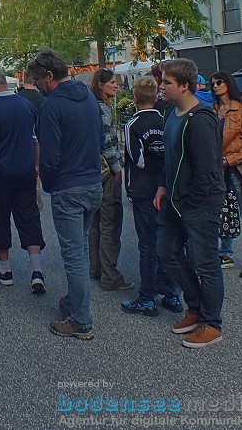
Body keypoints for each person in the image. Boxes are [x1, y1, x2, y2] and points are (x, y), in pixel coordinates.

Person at [26, 49, 102, 340]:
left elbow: (50, 154)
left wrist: (47, 181)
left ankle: (81, 320)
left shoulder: (52, 106)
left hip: (68, 186)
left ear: (48, 76)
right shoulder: (89, 99)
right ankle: (74, 302)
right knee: (80, 248)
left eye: (37, 80)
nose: (36, 86)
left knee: (74, 254)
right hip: (93, 181)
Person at [153, 59, 226, 349]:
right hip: (173, 199)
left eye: (167, 82)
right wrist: (162, 185)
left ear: (184, 86)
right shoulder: (171, 114)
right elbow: (168, 157)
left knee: (205, 263)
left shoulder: (201, 121)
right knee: (167, 251)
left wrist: (191, 204)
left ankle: (212, 324)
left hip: (198, 204)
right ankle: (194, 308)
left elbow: (209, 172)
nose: (161, 86)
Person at [0, 65, 46, 295]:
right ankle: (36, 271)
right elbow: (36, 140)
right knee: (29, 218)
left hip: (0, 173)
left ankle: (5, 271)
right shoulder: (26, 105)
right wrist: (36, 167)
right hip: (24, 171)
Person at [120, 77, 173, 317]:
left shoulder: (132, 124)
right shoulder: (166, 122)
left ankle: (147, 298)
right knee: (168, 240)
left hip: (143, 190)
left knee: (148, 245)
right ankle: (172, 293)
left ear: (135, 98)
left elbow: (137, 159)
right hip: (165, 186)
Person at [211, 70, 242, 279]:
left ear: (228, 84)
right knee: (224, 210)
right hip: (218, 168)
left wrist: (231, 159)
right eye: (212, 83)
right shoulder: (213, 110)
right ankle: (225, 253)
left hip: (237, 167)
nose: (215, 86)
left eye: (219, 82)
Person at [87, 68, 131, 292]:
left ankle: (95, 267)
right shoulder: (103, 109)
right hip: (106, 172)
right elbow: (107, 143)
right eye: (112, 82)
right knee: (110, 223)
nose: (116, 85)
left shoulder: (91, 106)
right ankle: (110, 274)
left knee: (95, 223)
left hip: (93, 172)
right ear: (101, 85)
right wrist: (117, 169)